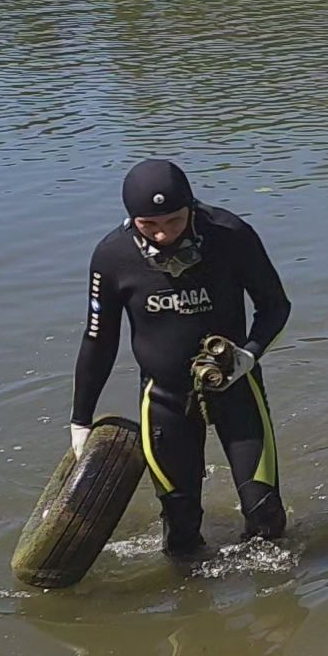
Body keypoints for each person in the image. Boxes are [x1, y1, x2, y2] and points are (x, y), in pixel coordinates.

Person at [69, 159, 292, 556]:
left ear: (191, 207)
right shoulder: (112, 256)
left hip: (235, 387)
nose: (163, 234)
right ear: (131, 219)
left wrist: (249, 356)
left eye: (173, 221)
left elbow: (275, 306)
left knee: (266, 520)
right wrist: (80, 420)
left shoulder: (230, 235)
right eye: (148, 224)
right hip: (164, 398)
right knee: (181, 533)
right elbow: (99, 340)